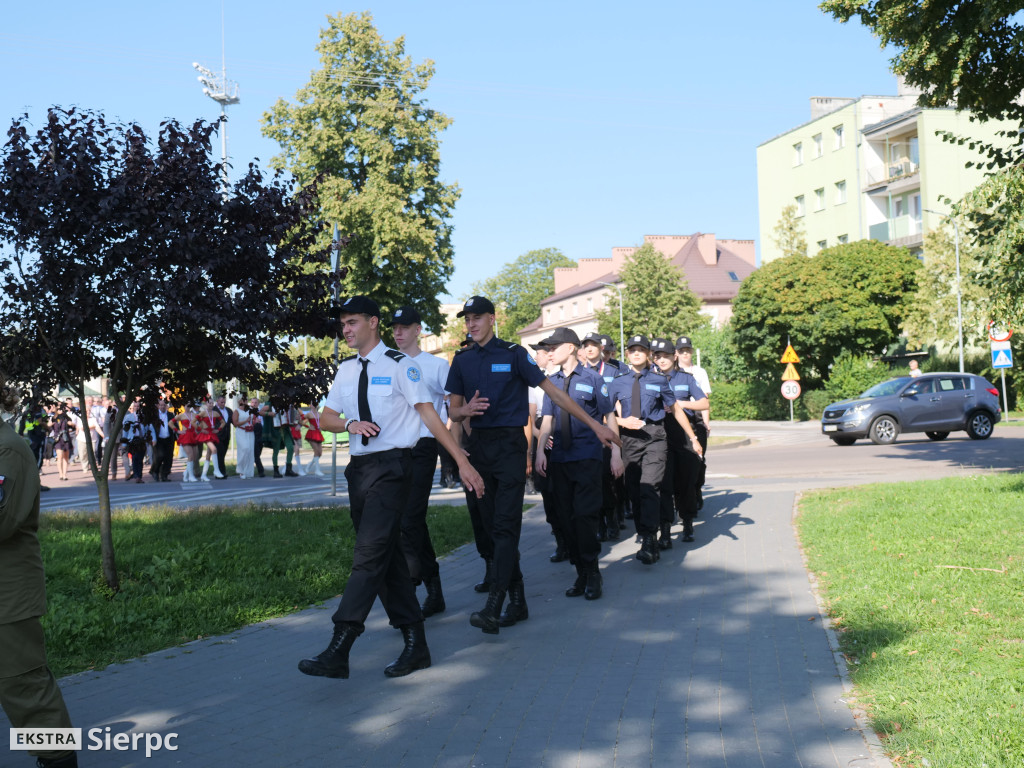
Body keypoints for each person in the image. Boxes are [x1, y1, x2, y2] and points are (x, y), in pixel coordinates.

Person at [298, 296, 484, 681]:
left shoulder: (403, 366)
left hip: (394, 467)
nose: (345, 330)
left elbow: (430, 415)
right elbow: (326, 416)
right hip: (359, 470)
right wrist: (349, 424)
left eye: (352, 323)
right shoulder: (346, 370)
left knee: (368, 555)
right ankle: (416, 644)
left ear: (373, 323)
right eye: (343, 324)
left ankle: (341, 643)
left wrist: (462, 460)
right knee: (389, 559)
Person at [446, 296, 618, 635]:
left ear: (492, 319)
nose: (471, 323)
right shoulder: (461, 360)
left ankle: (495, 604)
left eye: (478, 317)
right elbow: (452, 411)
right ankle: (518, 599)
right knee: (491, 528)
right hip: (480, 450)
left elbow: (554, 394)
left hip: (510, 448)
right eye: (467, 319)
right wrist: (465, 413)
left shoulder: (513, 354)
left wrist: (596, 424)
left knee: (506, 527)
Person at [0, 374, 79, 768]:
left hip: (7, 593)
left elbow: (2, 522)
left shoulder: (7, 449)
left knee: (22, 685)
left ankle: (58, 757)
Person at [534, 327, 622, 601]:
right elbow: (546, 421)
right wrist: (539, 451)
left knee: (584, 516)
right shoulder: (551, 383)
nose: (549, 352)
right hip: (559, 458)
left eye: (553, 347)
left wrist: (617, 453)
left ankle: (593, 572)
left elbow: (609, 416)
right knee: (565, 518)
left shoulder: (594, 379)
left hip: (587, 456)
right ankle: (580, 572)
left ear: (570, 347)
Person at [606, 334, 703, 564]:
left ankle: (650, 538)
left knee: (650, 487)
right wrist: (622, 423)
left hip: (655, 438)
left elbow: (676, 410)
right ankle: (645, 532)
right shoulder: (618, 381)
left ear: (648, 354)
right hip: (629, 440)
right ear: (627, 354)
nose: (636, 353)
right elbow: (606, 415)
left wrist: (693, 437)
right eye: (632, 350)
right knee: (634, 491)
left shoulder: (660, 380)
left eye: (641, 350)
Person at [388, 305, 451, 618]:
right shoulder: (388, 363)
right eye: (394, 327)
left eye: (404, 327)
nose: (398, 332)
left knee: (411, 518)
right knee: (405, 521)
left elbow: (454, 406)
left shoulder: (436, 365)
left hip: (425, 447)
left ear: (418, 329)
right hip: (395, 449)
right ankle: (433, 588)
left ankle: (414, 583)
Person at [651, 338, 709, 545]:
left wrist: (679, 403)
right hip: (660, 436)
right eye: (657, 356)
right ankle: (665, 530)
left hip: (684, 436)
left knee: (686, 483)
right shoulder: (648, 379)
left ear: (674, 356)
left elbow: (704, 402)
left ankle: (687, 523)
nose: (661, 359)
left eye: (665, 355)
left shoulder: (686, 378)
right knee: (664, 485)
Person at [675, 336, 712, 511]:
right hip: (677, 419)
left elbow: (705, 400)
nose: (685, 354)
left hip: (695, 418)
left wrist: (706, 422)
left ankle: (696, 488)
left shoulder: (699, 372)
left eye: (687, 351)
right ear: (676, 353)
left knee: (699, 459)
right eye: (681, 351)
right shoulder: (670, 372)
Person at [170, 405, 200, 482]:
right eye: (186, 405)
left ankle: (186, 473)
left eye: (189, 406)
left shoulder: (194, 415)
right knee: (190, 455)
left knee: (194, 456)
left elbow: (201, 421)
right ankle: (191, 475)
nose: (188, 407)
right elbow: (170, 423)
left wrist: (198, 429)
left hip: (193, 435)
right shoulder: (181, 415)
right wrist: (177, 430)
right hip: (186, 436)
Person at [150, 398, 177, 482]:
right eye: (161, 405)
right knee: (159, 456)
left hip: (169, 439)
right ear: (158, 406)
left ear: (166, 406)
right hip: (158, 439)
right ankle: (154, 471)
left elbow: (175, 426)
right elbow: (151, 427)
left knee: (168, 458)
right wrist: (153, 438)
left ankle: (164, 475)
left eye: (164, 405)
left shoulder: (170, 415)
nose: (162, 407)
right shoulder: (155, 415)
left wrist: (177, 434)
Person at [49, 406, 76, 482]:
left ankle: (64, 474)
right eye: (60, 410)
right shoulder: (53, 418)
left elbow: (73, 426)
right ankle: (60, 474)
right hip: (58, 439)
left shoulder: (67, 418)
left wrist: (71, 424)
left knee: (66, 457)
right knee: (59, 456)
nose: (61, 411)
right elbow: (48, 426)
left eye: (63, 410)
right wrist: (51, 424)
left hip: (66, 438)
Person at [232, 400, 257, 480]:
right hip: (241, 431)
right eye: (243, 400)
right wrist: (245, 421)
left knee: (250, 451)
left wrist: (255, 422)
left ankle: (248, 472)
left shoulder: (250, 410)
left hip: (250, 432)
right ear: (239, 401)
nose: (245, 401)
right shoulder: (237, 411)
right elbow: (235, 423)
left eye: (246, 400)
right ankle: (241, 470)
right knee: (245, 449)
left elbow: (253, 420)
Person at [301, 405, 326, 478]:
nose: (314, 406)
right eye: (312, 404)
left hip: (318, 433)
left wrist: (322, 427)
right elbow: (302, 421)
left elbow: (321, 423)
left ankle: (309, 465)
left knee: (320, 453)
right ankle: (317, 470)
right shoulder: (309, 414)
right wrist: (308, 426)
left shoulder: (320, 414)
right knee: (316, 451)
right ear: (310, 406)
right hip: (311, 433)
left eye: (315, 404)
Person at [213, 395, 232, 479]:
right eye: (221, 402)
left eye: (224, 402)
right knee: (219, 454)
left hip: (226, 435)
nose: (223, 404)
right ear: (217, 401)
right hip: (217, 435)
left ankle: (218, 471)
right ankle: (222, 472)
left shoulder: (228, 410)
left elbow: (233, 421)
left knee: (223, 454)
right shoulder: (214, 410)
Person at [250, 397, 266, 478]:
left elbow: (264, 423)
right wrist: (254, 422)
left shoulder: (261, 413)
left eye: (256, 402)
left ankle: (249, 469)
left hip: (261, 434)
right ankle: (261, 471)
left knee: (258, 454)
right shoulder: (249, 412)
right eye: (253, 402)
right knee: (256, 454)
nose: (254, 404)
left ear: (258, 403)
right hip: (253, 434)